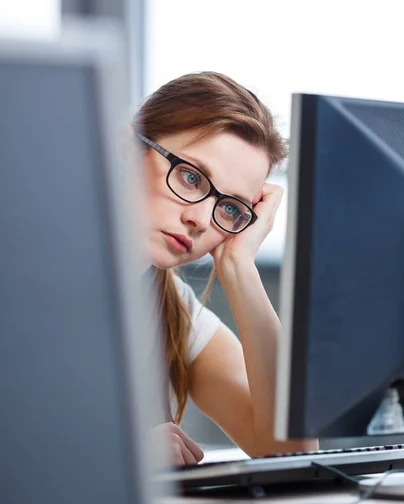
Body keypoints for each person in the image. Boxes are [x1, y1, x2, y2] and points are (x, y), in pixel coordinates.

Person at [131, 72, 318, 466]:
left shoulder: (172, 308)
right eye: (191, 176)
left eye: (231, 208)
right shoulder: (9, 269)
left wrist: (238, 268)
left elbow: (291, 454)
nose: (200, 219)